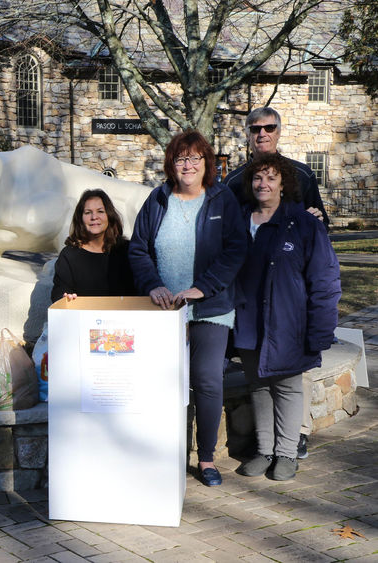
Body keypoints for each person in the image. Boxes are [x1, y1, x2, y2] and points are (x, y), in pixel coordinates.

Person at [129, 130, 247, 487]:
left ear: (207, 163)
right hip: (165, 311)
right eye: (181, 159)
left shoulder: (221, 199)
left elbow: (236, 249)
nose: (188, 165)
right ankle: (161, 453)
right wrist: (153, 285)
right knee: (161, 381)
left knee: (207, 380)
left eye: (196, 158)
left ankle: (206, 458)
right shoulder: (158, 199)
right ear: (171, 164)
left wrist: (202, 288)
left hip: (211, 307)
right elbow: (138, 249)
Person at [223, 106, 328, 458]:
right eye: (255, 129)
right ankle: (267, 444)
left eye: (269, 128)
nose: (262, 134)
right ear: (248, 135)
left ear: (279, 131)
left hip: (290, 293)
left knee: (296, 370)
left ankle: (295, 434)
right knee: (259, 377)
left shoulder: (301, 174)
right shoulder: (234, 181)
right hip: (252, 295)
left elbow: (319, 226)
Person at [233, 153, 340, 481]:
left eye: (271, 178)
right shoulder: (240, 220)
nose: (262, 184)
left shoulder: (304, 224)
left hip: (288, 323)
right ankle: (265, 450)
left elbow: (324, 280)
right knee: (259, 385)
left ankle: (287, 452)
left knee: (288, 387)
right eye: (257, 178)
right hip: (249, 322)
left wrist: (321, 330)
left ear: (283, 184)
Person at [51, 189, 135, 302]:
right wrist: (65, 299)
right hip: (82, 318)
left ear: (109, 216)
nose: (94, 217)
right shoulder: (69, 255)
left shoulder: (127, 250)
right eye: (87, 212)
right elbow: (59, 291)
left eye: (100, 211)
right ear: (80, 218)